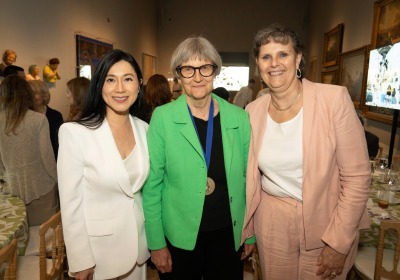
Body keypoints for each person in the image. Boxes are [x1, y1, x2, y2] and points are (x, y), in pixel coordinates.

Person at [242, 23, 371, 280]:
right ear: (258, 64)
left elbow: (357, 178)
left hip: (326, 220)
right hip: (272, 220)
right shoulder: (253, 111)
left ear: (298, 58)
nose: (274, 63)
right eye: (266, 56)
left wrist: (338, 242)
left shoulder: (333, 99)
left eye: (283, 54)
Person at [143, 36, 254, 280]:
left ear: (215, 71)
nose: (197, 76)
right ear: (178, 74)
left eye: (205, 67)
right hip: (179, 238)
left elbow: (249, 181)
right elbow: (152, 186)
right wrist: (156, 243)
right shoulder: (162, 118)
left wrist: (250, 232)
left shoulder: (239, 118)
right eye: (188, 69)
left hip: (228, 234)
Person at [57, 49, 150, 280]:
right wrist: (80, 260)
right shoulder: (75, 133)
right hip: (98, 257)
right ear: (99, 86)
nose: (120, 88)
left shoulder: (145, 129)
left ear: (139, 84)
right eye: (110, 79)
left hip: (139, 250)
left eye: (127, 79)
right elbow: (70, 204)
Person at [0, 75, 58, 226]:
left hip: (12, 187)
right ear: (27, 94)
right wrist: (57, 181)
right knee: (47, 237)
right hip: (42, 186)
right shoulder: (38, 119)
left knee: (19, 240)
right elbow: (47, 157)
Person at [28, 80, 63, 160]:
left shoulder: (56, 116)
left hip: (51, 161)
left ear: (44, 95)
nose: (31, 97)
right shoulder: (23, 115)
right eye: (29, 93)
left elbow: (58, 144)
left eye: (35, 93)